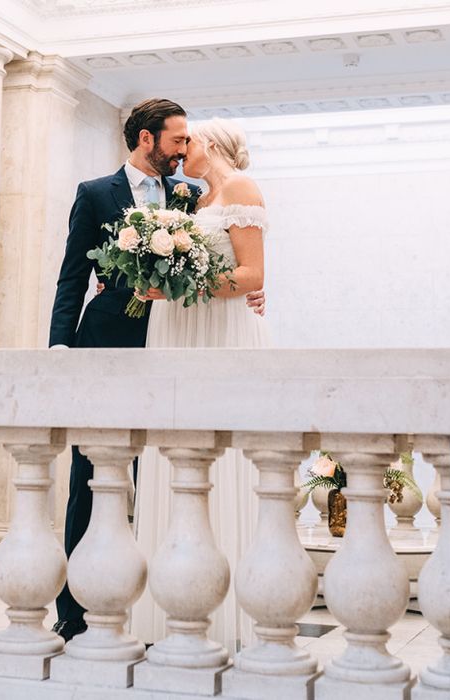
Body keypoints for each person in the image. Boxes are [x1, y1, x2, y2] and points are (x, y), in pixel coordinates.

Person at [48, 100, 264, 642]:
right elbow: (73, 275)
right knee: (91, 477)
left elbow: (230, 258)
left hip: (177, 341)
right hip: (106, 343)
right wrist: (59, 348)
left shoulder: (195, 194)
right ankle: (75, 610)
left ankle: (160, 599)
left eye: (188, 141)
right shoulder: (95, 193)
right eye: (176, 140)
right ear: (148, 139)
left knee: (166, 478)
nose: (183, 149)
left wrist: (249, 294)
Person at [131, 118, 271, 654]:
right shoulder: (193, 201)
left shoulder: (239, 189)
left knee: (221, 458)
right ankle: (174, 602)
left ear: (207, 145)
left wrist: (174, 288)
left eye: (188, 143)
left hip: (217, 333)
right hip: (181, 333)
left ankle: (230, 609)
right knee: (174, 457)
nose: (181, 152)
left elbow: (253, 275)